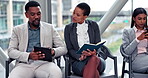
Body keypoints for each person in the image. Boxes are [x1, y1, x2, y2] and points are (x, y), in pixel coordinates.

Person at [8, 1, 67, 78]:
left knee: (56, 74)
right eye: (33, 14)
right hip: (24, 64)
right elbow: (11, 51)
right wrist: (29, 55)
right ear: (26, 15)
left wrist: (53, 51)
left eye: (38, 14)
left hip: (45, 64)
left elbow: (63, 48)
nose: (36, 17)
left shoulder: (50, 28)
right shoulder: (17, 30)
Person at [64, 2, 105, 78]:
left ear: (85, 16)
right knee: (93, 71)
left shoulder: (94, 25)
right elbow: (69, 49)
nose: (74, 16)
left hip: (97, 60)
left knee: (93, 59)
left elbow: (98, 45)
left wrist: (94, 52)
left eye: (78, 15)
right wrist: (80, 56)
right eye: (74, 13)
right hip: (78, 62)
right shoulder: (68, 28)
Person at [122, 7, 148, 73]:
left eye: (144, 19)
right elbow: (126, 52)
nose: (142, 21)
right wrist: (138, 39)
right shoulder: (127, 32)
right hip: (135, 60)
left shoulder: (147, 31)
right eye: (139, 19)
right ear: (134, 19)